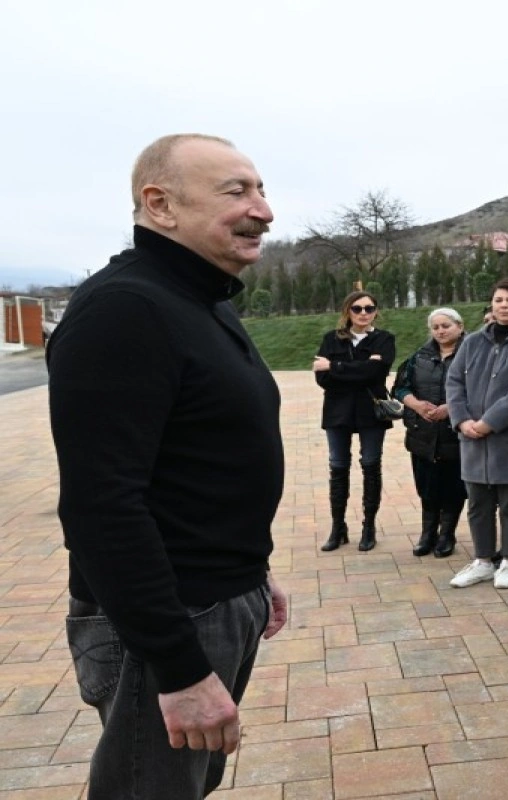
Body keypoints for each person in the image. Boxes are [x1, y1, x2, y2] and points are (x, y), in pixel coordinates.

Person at [47, 133, 288, 799]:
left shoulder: (201, 299)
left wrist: (253, 571)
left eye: (262, 190)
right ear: (160, 204)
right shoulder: (125, 310)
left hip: (216, 596)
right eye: (237, 191)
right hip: (170, 617)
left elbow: (201, 461)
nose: (263, 210)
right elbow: (101, 507)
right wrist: (179, 668)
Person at [445, 279, 508, 589]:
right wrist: (462, 420)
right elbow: (454, 381)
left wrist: (489, 421)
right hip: (473, 440)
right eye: (498, 299)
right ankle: (482, 560)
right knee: (478, 504)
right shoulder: (473, 342)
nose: (504, 305)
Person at [314, 291, 396, 552]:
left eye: (369, 308)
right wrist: (363, 368)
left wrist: (335, 367)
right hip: (337, 413)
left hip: (371, 412)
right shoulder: (331, 339)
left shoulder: (384, 339)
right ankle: (338, 527)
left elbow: (377, 372)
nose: (363, 313)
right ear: (347, 311)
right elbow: (322, 379)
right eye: (357, 308)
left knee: (371, 466)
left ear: (376, 311)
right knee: (338, 468)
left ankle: (368, 526)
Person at [394, 307, 468, 558]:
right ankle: (428, 534)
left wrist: (451, 408)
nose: (440, 331)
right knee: (426, 486)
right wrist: (415, 404)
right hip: (423, 434)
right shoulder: (419, 356)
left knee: (453, 487)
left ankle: (447, 534)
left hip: (455, 434)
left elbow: (481, 389)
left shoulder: (473, 353)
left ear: (459, 326)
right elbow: (400, 387)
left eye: (446, 326)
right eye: (435, 327)